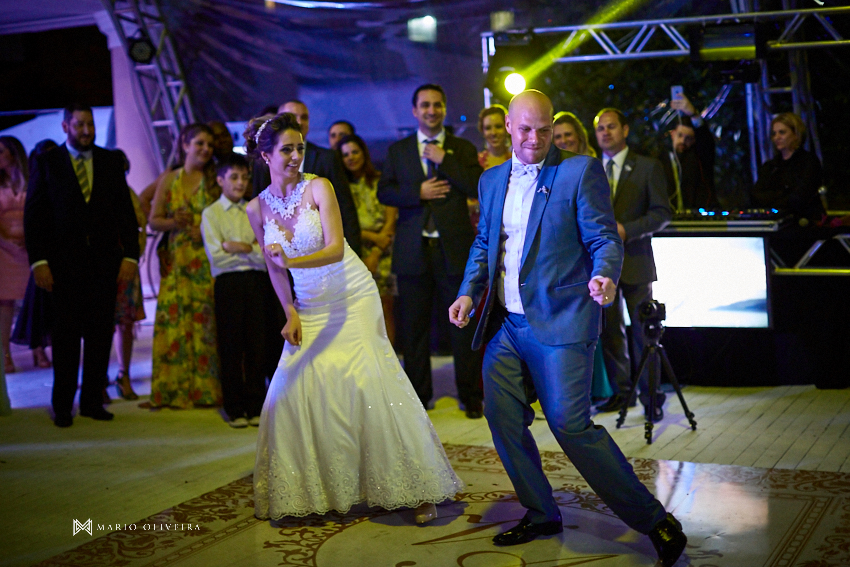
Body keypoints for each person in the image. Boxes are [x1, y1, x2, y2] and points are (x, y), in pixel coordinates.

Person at [448, 90, 686, 566]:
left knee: (570, 426)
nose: (535, 139)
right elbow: (484, 244)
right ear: (508, 129)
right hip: (505, 325)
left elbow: (603, 235)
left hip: (561, 320)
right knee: (502, 417)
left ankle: (655, 520)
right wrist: (468, 291)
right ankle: (541, 512)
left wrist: (605, 273)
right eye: (525, 129)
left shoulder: (578, 170)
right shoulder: (491, 179)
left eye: (542, 129)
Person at [244, 112, 463, 523]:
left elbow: (333, 246)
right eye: (286, 150)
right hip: (308, 304)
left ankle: (417, 488)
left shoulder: (319, 187)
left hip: (350, 295)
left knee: (369, 383)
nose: (295, 156)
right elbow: (274, 269)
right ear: (264, 155)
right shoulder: (256, 209)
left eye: (299, 148)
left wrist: (291, 258)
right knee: (288, 392)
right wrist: (289, 311)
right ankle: (314, 488)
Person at [24, 104, 140, 427]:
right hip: (62, 268)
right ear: (65, 127)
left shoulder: (110, 161)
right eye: (79, 125)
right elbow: (34, 218)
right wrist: (39, 262)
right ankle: (62, 405)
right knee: (65, 337)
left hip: (104, 265)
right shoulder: (48, 163)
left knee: (100, 335)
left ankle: (92, 401)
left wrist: (130, 256)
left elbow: (126, 216)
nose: (87, 130)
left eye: (90, 124)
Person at [377, 84, 484, 419]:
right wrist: (418, 191)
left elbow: (477, 184)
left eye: (437, 105)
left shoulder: (461, 148)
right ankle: (419, 398)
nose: (432, 110)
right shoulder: (399, 151)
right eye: (425, 105)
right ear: (414, 110)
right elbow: (385, 192)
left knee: (461, 327)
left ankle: (471, 396)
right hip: (413, 251)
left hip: (453, 249)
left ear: (445, 108)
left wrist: (444, 160)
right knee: (414, 330)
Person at [593, 108, 672, 421]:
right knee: (611, 334)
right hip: (602, 267)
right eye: (600, 128)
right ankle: (621, 393)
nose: (605, 133)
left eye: (611, 127)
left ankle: (652, 396)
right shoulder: (589, 169)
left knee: (644, 333)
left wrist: (629, 229)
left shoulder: (647, 167)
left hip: (636, 260)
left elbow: (662, 213)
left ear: (624, 129)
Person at [148, 123, 221, 409]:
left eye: (209, 145)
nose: (205, 149)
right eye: (200, 143)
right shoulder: (170, 179)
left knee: (205, 323)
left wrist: (203, 229)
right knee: (175, 322)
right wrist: (171, 223)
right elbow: (153, 219)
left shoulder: (214, 180)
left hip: (204, 261)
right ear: (185, 145)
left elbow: (226, 220)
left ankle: (205, 390)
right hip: (177, 263)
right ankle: (174, 389)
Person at [201, 153, 273, 428]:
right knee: (231, 346)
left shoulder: (255, 210)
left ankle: (255, 404)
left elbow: (264, 256)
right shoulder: (211, 213)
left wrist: (239, 247)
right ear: (220, 180)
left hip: (255, 282)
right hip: (228, 283)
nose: (240, 183)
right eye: (233, 177)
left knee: (256, 344)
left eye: (244, 177)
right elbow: (217, 257)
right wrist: (249, 249)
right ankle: (234, 407)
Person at [251, 100, 362, 256]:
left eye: (304, 117)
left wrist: (356, 251)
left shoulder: (327, 158)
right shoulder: (262, 165)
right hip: (284, 264)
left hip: (330, 258)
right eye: (292, 117)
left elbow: (346, 209)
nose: (299, 122)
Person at [551, 113, 610, 401]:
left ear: (580, 137)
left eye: (568, 135)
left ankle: (604, 391)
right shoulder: (550, 170)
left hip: (593, 261)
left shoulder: (591, 167)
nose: (563, 141)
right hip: (563, 266)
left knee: (595, 330)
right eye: (558, 136)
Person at [339, 134, 398, 347]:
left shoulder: (381, 180)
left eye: (355, 151)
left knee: (385, 309)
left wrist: (376, 251)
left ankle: (391, 368)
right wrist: (373, 238)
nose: (351, 157)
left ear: (364, 152)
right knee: (360, 313)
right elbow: (342, 225)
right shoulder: (339, 187)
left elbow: (391, 219)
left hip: (383, 252)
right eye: (345, 154)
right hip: (354, 252)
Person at [11, 140, 57, 370]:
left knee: (49, 306)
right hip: (41, 252)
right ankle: (38, 351)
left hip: (58, 251)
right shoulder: (35, 186)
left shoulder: (61, 184)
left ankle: (45, 352)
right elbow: (32, 222)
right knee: (38, 304)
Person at [109, 149, 146, 401]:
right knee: (99, 322)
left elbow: (140, 226)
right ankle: (99, 375)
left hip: (126, 265)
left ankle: (124, 374)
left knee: (125, 323)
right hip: (100, 265)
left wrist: (134, 256)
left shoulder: (129, 194)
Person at [751, 112, 824, 224]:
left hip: (805, 223)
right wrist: (783, 195)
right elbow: (757, 195)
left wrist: (776, 197)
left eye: (782, 132)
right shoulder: (770, 166)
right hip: (776, 223)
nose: (777, 138)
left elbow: (800, 197)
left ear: (796, 134)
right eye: (774, 133)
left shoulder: (809, 162)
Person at [0, 136, 30, 374]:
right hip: (4, 248)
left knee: (35, 299)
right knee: (5, 303)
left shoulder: (30, 180)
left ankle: (39, 348)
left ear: (12, 153)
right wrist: (8, 242)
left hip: (29, 245)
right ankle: (5, 355)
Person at [664, 91, 715, 211]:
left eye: (689, 138)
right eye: (680, 135)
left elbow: (706, 142)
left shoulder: (698, 159)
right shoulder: (660, 159)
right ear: (672, 134)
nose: (683, 141)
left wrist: (694, 115)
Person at [477, 105, 510, 170]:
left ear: (507, 128)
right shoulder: (476, 162)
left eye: (498, 126)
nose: (493, 133)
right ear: (482, 131)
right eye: (488, 128)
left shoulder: (518, 162)